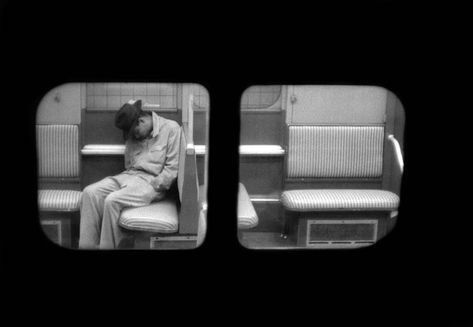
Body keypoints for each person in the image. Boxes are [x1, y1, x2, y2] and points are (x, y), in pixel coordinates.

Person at [79, 99, 181, 249]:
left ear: (141, 121)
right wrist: (128, 180)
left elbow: (172, 169)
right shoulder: (133, 135)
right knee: (89, 193)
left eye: (135, 131)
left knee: (112, 201)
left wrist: (155, 184)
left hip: (151, 182)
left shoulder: (171, 129)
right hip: (129, 176)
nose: (135, 136)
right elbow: (129, 164)